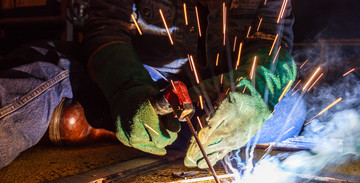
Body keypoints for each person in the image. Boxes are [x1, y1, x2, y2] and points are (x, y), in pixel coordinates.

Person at [0, 0, 306, 169]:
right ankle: (129, 116)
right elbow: (104, 31)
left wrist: (253, 93)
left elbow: (272, 45)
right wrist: (127, 88)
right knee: (46, 65)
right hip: (143, 80)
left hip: (219, 93)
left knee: (288, 111)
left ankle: (103, 123)